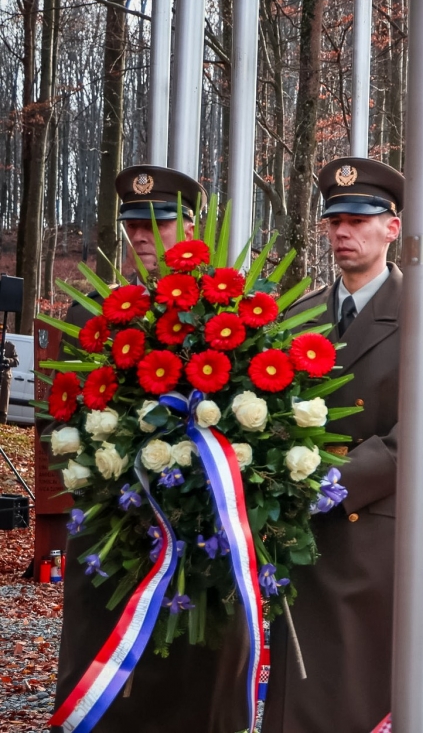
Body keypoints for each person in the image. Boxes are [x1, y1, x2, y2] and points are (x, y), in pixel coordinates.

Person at [261, 157, 423, 731]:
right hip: (303, 534)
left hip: (381, 534)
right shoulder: (301, 314)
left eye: (358, 220)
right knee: (301, 693)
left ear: (392, 228)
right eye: (334, 220)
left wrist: (332, 479)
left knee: (365, 692)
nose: (343, 232)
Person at [54, 166, 249, 733]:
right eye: (133, 225)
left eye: (157, 224)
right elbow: (61, 419)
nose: (141, 236)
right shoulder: (91, 313)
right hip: (114, 526)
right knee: (106, 672)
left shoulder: (227, 314)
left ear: (190, 228)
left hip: (203, 531)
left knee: (197, 679)